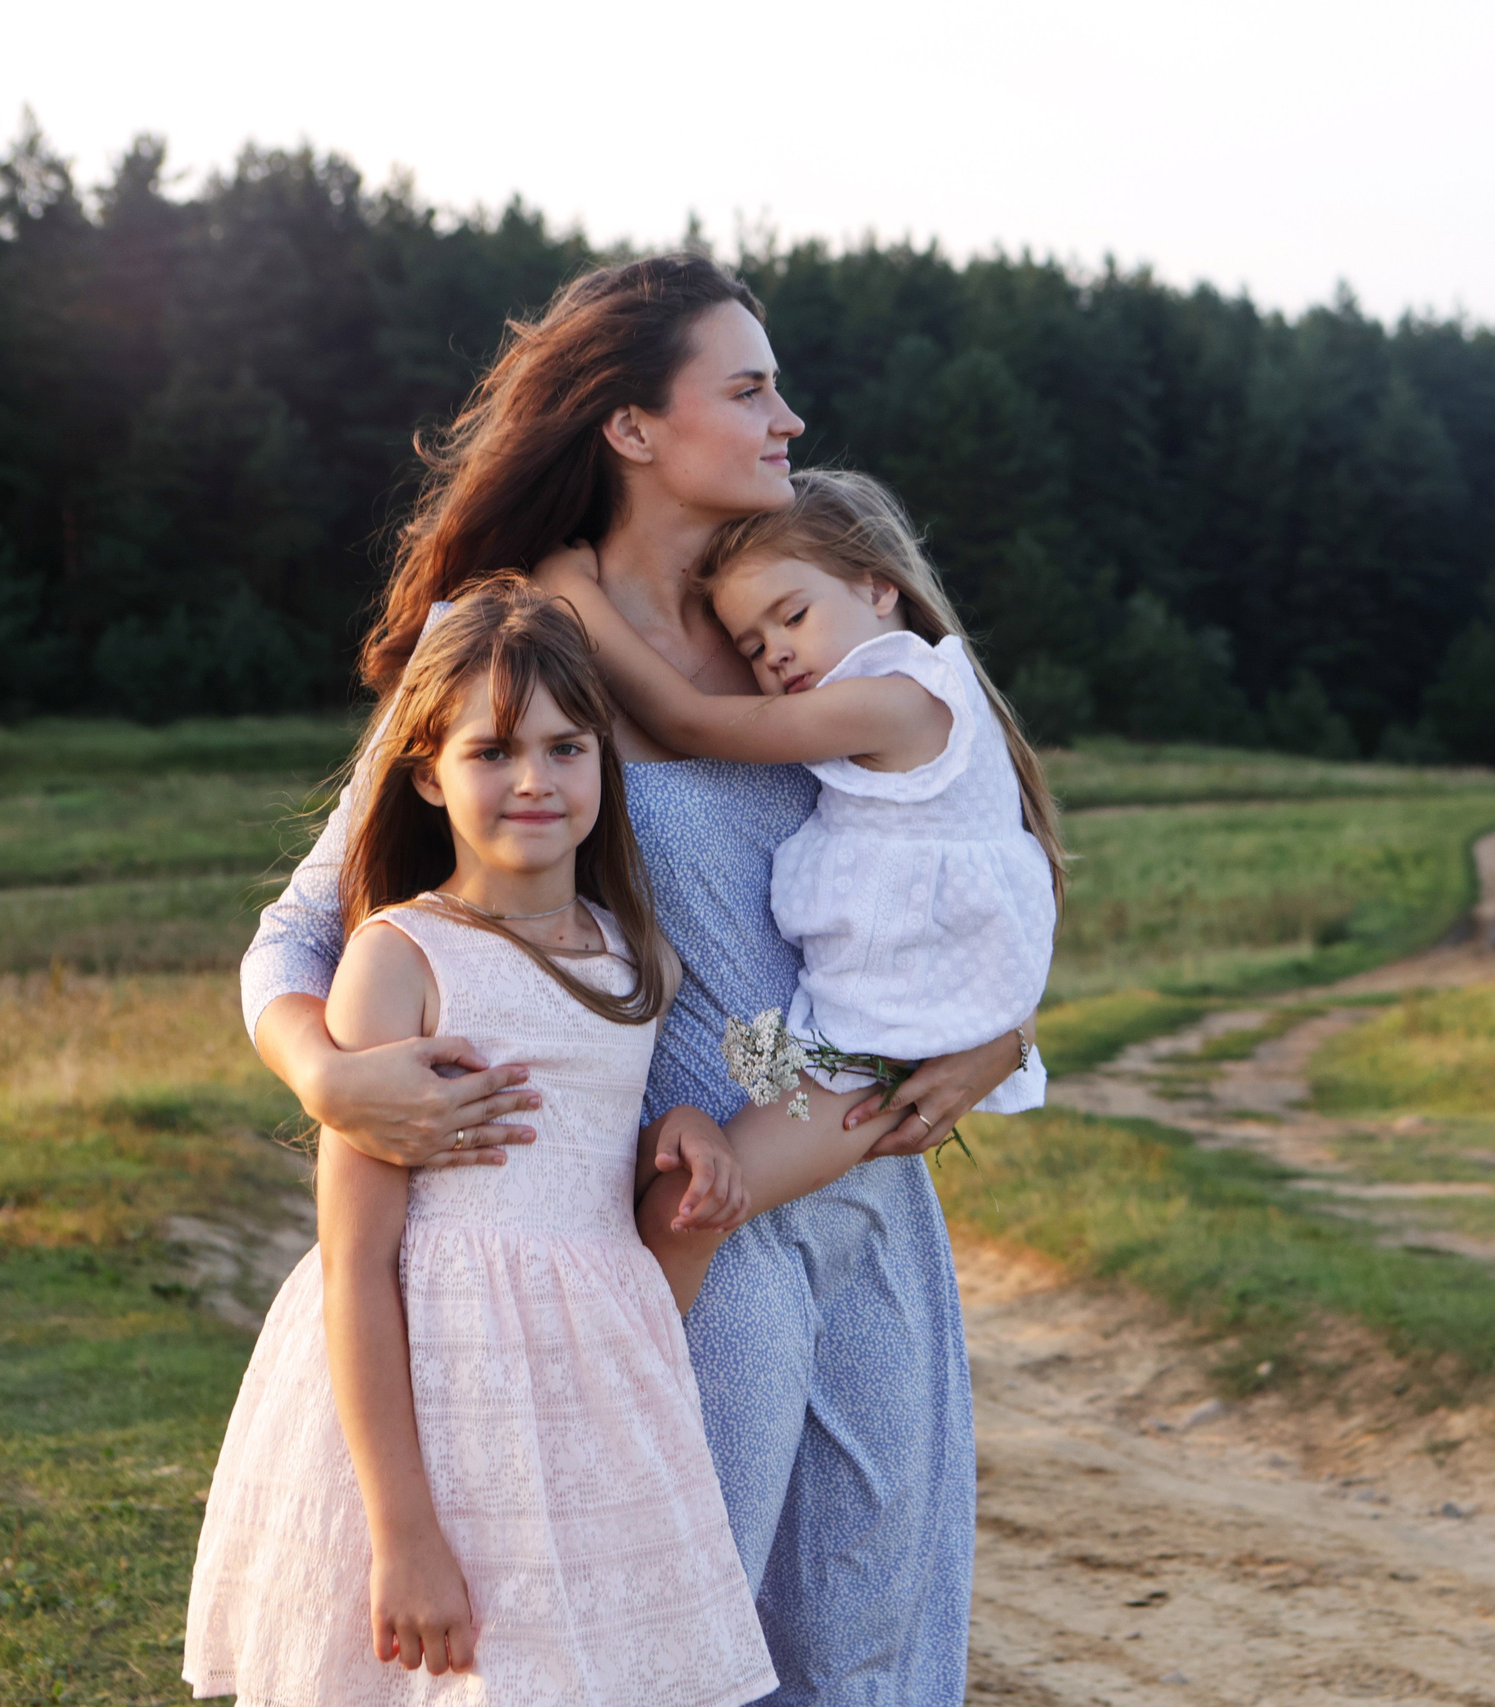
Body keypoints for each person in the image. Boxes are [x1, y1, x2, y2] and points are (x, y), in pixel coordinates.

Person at [240, 255, 1018, 1703]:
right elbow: (296, 935)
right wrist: (329, 1073)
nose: (788, 419)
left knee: (869, 1646)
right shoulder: (521, 646)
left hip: (866, 1204)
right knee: (673, 1650)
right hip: (680, 1230)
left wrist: (998, 1021)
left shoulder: (789, 630)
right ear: (632, 426)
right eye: (748, 388)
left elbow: (957, 850)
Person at [186, 580, 775, 1706]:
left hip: (590, 1408)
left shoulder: (629, 959)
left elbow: (627, 1250)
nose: (535, 782)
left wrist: (688, 1147)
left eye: (566, 748)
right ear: (424, 774)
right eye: (492, 752)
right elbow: (355, 1263)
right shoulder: (402, 957)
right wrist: (402, 1535)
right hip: (436, 1413)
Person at [539, 469, 1063, 1310]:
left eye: (793, 616)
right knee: (673, 1181)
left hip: (865, 1061)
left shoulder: (895, 700)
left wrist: (573, 596)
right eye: (750, 643)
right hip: (848, 1038)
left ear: (878, 585)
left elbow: (692, 722)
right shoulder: (914, 694)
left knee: (693, 1204)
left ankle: (637, 1385)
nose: (774, 652)